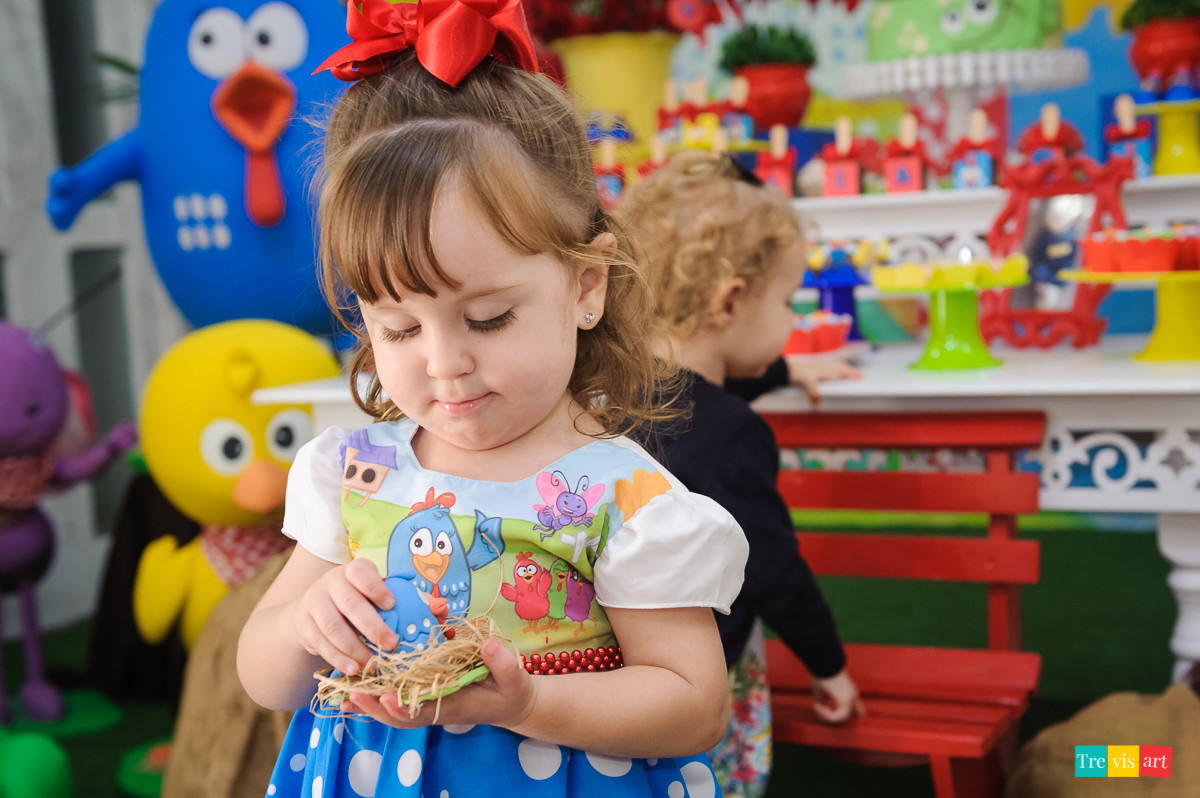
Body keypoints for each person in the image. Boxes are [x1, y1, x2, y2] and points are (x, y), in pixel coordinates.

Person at [235, 4, 749, 797]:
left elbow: (693, 704)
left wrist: (535, 701)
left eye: (488, 318)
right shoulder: (358, 474)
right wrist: (309, 628)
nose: (446, 364)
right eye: (399, 328)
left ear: (585, 284)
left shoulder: (622, 498)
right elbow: (265, 676)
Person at [619, 152, 864, 798]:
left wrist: (783, 374)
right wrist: (829, 666)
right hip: (698, 681)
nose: (791, 319)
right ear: (730, 300)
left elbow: (692, 410)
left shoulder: (615, 395)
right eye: (787, 300)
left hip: (615, 673)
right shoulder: (731, 433)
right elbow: (774, 569)